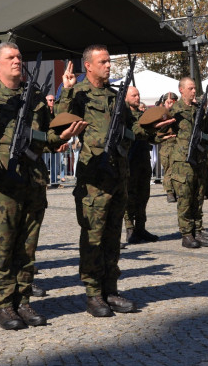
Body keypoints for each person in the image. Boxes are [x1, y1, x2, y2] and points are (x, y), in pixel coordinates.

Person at [0, 44, 85, 329]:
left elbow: (47, 134)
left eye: (19, 57)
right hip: (2, 185)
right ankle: (4, 306)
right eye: (10, 58)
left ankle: (23, 301)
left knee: (27, 247)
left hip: (33, 181)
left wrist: (61, 135)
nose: (17, 61)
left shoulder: (32, 95)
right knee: (4, 246)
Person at [58, 45, 147, 317]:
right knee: (93, 237)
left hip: (118, 176)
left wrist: (154, 126)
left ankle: (111, 289)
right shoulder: (80, 95)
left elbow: (133, 129)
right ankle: (93, 294)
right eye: (103, 62)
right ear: (89, 66)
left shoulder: (114, 96)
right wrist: (68, 90)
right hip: (94, 178)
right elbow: (59, 120)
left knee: (113, 236)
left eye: (109, 61)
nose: (109, 66)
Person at [168, 77, 208, 248]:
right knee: (185, 198)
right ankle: (186, 234)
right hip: (183, 161)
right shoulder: (175, 111)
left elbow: (207, 131)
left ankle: (197, 230)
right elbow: (164, 131)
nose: (194, 91)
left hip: (199, 158)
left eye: (195, 88)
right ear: (181, 90)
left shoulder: (198, 110)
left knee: (198, 196)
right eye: (190, 88)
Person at [124, 86, 159, 244]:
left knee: (143, 195)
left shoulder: (143, 115)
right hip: (129, 160)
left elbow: (151, 137)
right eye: (134, 95)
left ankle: (141, 227)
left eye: (138, 95)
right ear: (126, 98)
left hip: (143, 159)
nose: (137, 98)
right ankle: (130, 229)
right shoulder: (124, 115)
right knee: (129, 196)